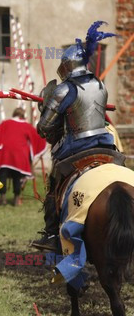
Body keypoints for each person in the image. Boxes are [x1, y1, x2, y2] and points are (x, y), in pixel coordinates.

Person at [31, 21, 116, 251]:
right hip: (106, 143)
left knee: (54, 184)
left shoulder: (64, 89)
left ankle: (51, 234)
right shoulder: (100, 84)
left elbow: (44, 127)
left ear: (68, 66)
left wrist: (45, 108)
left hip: (77, 146)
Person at [0, 108, 47, 206]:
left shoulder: (5, 123)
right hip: (20, 154)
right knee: (17, 176)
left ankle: (2, 197)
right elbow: (38, 136)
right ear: (23, 116)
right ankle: (16, 198)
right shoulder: (26, 125)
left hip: (5, 153)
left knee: (2, 175)